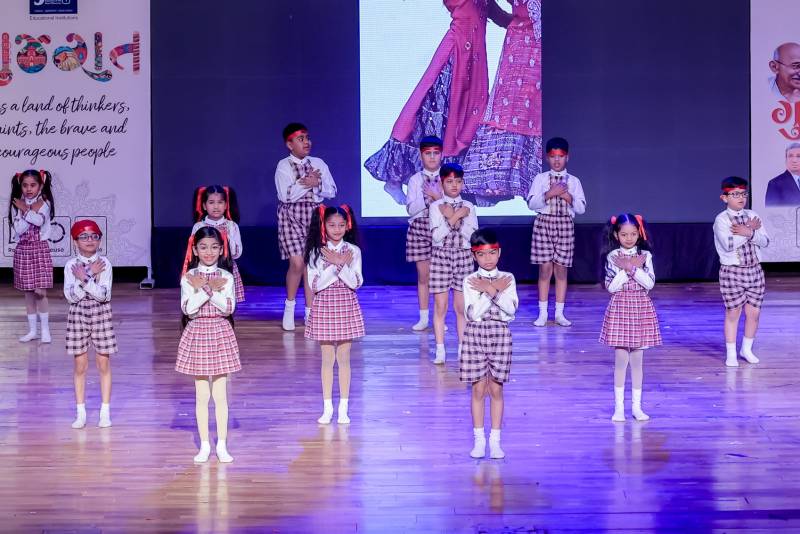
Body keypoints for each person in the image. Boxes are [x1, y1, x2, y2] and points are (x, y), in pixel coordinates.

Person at [364, 0, 511, 204]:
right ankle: (393, 179)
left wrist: (526, 19)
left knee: (471, 119)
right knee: (428, 114)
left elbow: (501, 17)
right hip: (455, 56)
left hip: (474, 62)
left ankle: (472, 184)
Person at [462, 0, 543, 207]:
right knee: (507, 110)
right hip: (518, 47)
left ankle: (534, 186)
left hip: (547, 47)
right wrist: (508, 20)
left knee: (537, 113)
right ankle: (491, 185)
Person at [176, 226, 241, 463]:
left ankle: (222, 444)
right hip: (198, 333)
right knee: (202, 395)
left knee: (220, 395)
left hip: (220, 332)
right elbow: (188, 309)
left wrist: (206, 290)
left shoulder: (227, 276)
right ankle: (204, 445)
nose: (209, 252)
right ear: (195, 250)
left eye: (214, 247)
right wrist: (208, 289)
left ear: (221, 249)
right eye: (203, 247)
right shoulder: (189, 277)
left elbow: (228, 307)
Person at [304, 205, 364, 425]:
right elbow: (316, 285)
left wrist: (340, 265)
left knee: (344, 359)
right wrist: (336, 265)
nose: (337, 229)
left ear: (347, 226)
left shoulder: (353, 251)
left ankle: (343, 408)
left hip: (346, 304)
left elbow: (355, 282)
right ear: (324, 226)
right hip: (324, 305)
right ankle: (327, 407)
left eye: (341, 225)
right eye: (332, 225)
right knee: (327, 360)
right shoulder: (315, 251)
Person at [461, 228, 518, 458]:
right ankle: (479, 440)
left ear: (499, 252)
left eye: (492, 253)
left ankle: (495, 441)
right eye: (482, 254)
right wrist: (492, 291)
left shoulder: (508, 278)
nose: (488, 259)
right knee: (478, 389)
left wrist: (490, 290)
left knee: (496, 388)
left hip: (500, 334)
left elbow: (510, 310)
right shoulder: (470, 280)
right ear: (474, 255)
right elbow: (473, 314)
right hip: (475, 335)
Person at [275, 122, 337, 330]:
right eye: (300, 139)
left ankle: (310, 311)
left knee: (311, 265)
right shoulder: (283, 166)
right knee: (297, 264)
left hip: (314, 217)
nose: (306, 142)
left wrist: (316, 184)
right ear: (289, 144)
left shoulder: (318, 163)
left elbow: (331, 190)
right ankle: (289, 307)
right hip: (290, 218)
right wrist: (307, 182)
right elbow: (287, 195)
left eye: (307, 138)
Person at [599, 214, 661, 422]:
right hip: (621, 307)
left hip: (640, 307)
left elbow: (649, 283)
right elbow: (611, 287)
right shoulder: (613, 256)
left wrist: (633, 268)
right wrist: (626, 269)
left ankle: (636, 407)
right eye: (624, 234)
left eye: (633, 234)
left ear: (639, 234)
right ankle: (619, 408)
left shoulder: (645, 255)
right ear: (617, 235)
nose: (629, 238)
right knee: (620, 360)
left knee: (637, 361)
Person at [526, 137, 586, 327]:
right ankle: (543, 313)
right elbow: (531, 204)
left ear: (567, 157)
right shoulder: (540, 179)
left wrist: (567, 196)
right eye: (553, 156)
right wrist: (549, 193)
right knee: (545, 269)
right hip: (544, 223)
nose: (557, 160)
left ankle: (559, 313)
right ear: (547, 158)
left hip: (565, 224)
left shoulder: (574, 181)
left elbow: (581, 208)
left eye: (561, 156)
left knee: (561, 270)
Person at [64, 220, 118, 429]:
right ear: (75, 241)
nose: (89, 240)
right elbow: (71, 297)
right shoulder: (71, 265)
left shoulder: (104, 264)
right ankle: (81, 413)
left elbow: (104, 295)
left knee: (103, 363)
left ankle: (105, 412)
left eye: (94, 236)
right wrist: (88, 275)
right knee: (80, 365)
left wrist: (85, 278)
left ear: (99, 240)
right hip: (77, 314)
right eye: (84, 236)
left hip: (100, 313)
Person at [713, 177, 770, 367]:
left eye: (743, 194)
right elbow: (728, 245)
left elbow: (765, 241)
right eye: (735, 194)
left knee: (754, 313)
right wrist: (749, 231)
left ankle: (746, 349)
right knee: (733, 312)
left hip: (754, 271)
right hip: (732, 272)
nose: (741, 198)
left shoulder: (752, 215)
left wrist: (750, 232)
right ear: (724, 197)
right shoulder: (721, 220)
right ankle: (731, 353)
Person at [429, 163, 478, 363]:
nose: (454, 185)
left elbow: (472, 236)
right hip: (441, 257)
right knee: (440, 306)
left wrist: (455, 216)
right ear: (442, 183)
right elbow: (437, 237)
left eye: (458, 181)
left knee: (461, 307)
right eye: (449, 181)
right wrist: (455, 216)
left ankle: (461, 348)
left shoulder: (469, 207)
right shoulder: (436, 206)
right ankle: (440, 350)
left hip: (464, 257)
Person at [8, 169, 55, 343]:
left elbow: (39, 221)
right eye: (25, 185)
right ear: (21, 186)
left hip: (39, 249)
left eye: (33, 185)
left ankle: (45, 331)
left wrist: (25, 211)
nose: (29, 189)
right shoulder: (17, 204)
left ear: (40, 185)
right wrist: (26, 209)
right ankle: (33, 331)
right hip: (23, 251)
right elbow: (19, 229)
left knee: (40, 292)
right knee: (28, 293)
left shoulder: (45, 202)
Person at [405, 136, 444, 330]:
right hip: (419, 229)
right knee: (424, 275)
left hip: (441, 227)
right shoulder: (415, 180)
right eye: (428, 153)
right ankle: (424, 318)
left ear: (441, 155)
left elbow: (452, 204)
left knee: (441, 276)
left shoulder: (447, 177)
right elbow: (410, 209)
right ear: (421, 156)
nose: (432, 157)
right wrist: (427, 196)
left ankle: (440, 317)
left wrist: (438, 196)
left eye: (436, 153)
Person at [189, 185, 245, 302]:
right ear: (204, 206)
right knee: (203, 300)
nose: (216, 206)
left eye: (220, 202)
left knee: (225, 301)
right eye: (211, 202)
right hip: (204, 270)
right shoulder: (199, 226)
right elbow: (193, 252)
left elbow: (237, 253)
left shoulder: (232, 226)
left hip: (226, 268)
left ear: (225, 205)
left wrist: (228, 238)